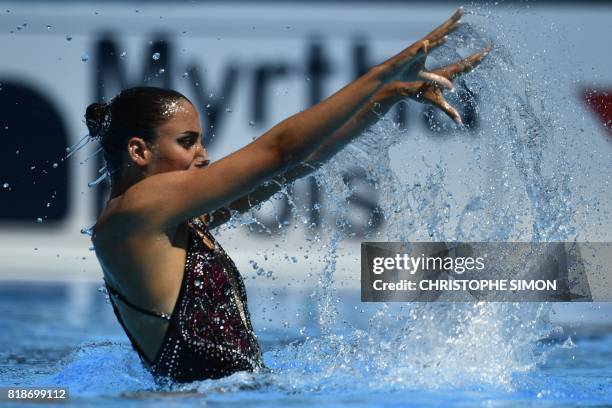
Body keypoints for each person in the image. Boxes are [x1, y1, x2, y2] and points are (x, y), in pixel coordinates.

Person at [89, 9, 490, 383]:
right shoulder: (134, 213)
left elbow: (301, 164)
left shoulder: (169, 225)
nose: (204, 155)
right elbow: (281, 152)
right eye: (187, 142)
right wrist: (382, 73)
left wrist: (389, 96)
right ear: (139, 151)